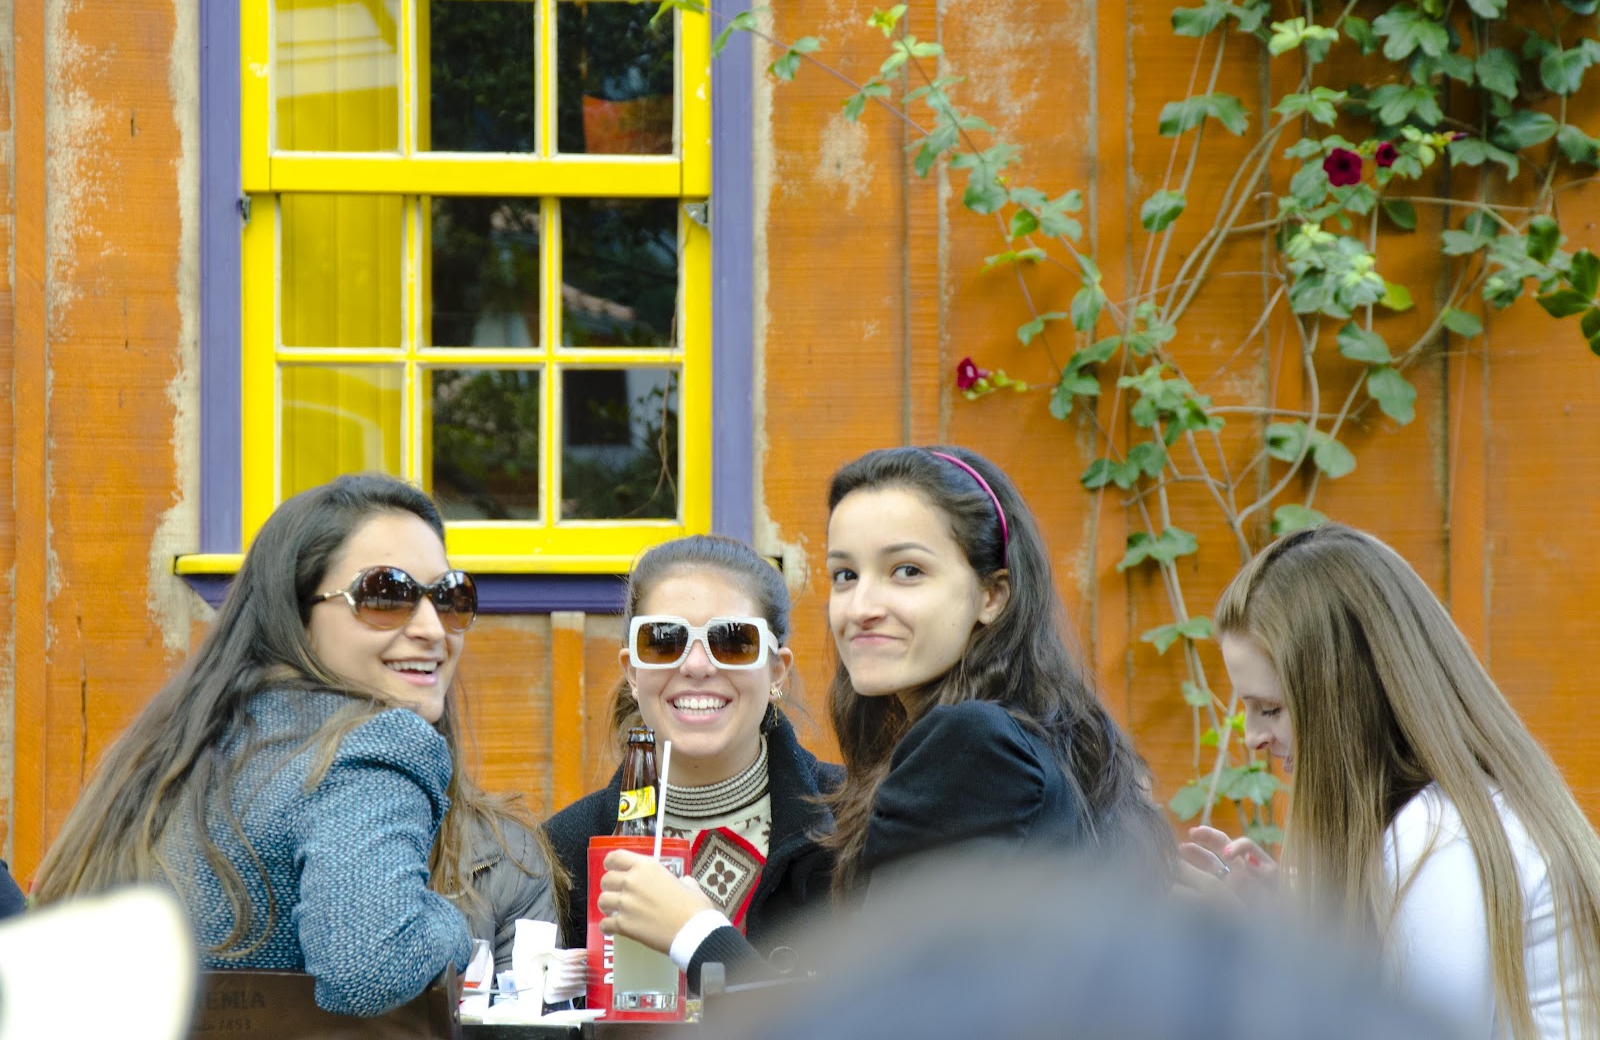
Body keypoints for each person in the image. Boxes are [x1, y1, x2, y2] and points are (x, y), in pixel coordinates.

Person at [598, 446, 1171, 981]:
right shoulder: (1022, 732)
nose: (862, 607)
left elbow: (894, 1014)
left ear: (992, 595)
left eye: (907, 571)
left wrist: (695, 931)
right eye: (846, 575)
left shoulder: (971, 745)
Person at [30, 473, 561, 1014]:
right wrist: (447, 920)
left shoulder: (172, 753)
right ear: (297, 615)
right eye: (386, 594)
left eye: (451, 597)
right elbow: (370, 970)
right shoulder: (372, 742)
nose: (432, 627)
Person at [1183, 523, 1600, 1039]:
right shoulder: (1447, 815)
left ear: (1350, 698)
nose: (1253, 737)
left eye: (1270, 708)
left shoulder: (1438, 838)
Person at [547, 535, 840, 976]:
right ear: (632, 671)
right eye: (665, 641)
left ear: (776, 670)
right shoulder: (562, 851)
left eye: (733, 641)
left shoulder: (854, 823)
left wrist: (697, 934)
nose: (697, 665)